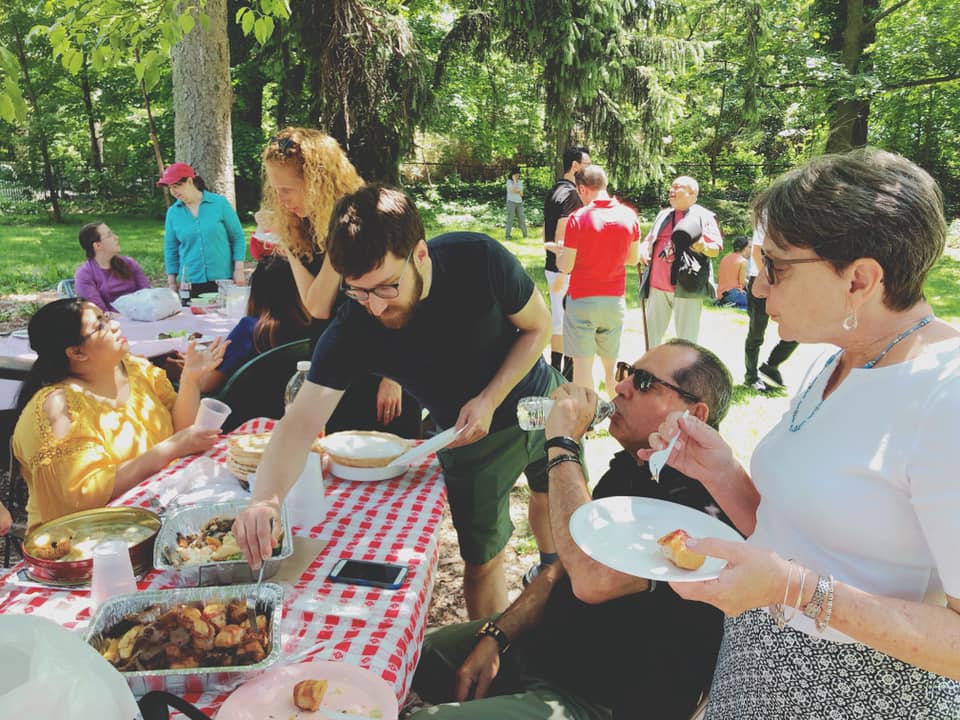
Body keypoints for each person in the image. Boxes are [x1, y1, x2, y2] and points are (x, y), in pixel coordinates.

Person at [641, 149, 960, 718]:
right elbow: (799, 538)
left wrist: (796, 591)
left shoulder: (947, 396)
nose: (759, 286)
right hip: (754, 671)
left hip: (857, 698)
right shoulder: (837, 359)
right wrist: (721, 472)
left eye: (776, 267)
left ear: (859, 279)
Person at [234, 184, 562, 619]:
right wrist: (266, 499)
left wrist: (489, 397)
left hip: (542, 398)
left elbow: (538, 328)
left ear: (420, 255)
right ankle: (493, 648)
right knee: (483, 561)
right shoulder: (354, 326)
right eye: (357, 290)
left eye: (387, 287)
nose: (374, 307)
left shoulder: (478, 259)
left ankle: (554, 573)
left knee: (551, 494)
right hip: (466, 440)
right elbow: (300, 422)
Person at [408, 340, 735, 720]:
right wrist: (499, 634)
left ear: (694, 414)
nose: (621, 387)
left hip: (601, 701)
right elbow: (560, 568)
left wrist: (563, 444)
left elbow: (592, 578)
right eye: (626, 372)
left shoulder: (703, 506)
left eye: (644, 382)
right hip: (542, 653)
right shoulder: (632, 469)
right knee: (401, 653)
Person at [12, 299, 226, 531]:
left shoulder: (133, 368)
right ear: (76, 352)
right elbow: (83, 497)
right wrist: (171, 448)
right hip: (91, 535)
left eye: (106, 317)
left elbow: (182, 430)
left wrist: (190, 380)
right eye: (100, 326)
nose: (114, 325)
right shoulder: (59, 408)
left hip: (160, 506)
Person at [259, 127, 419, 436]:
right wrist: (284, 239)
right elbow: (314, 305)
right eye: (275, 189)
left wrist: (394, 377)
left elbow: (410, 299)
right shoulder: (301, 226)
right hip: (334, 359)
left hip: (382, 364)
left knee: (391, 455)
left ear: (317, 182)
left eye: (287, 189)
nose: (281, 200)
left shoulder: (363, 221)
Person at [546, 165, 640, 396]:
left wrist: (560, 253)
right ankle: (617, 412)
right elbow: (632, 258)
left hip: (583, 300)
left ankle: (586, 417)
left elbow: (566, 266)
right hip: (614, 300)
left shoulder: (578, 218)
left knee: (583, 366)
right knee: (610, 367)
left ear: (582, 189)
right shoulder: (629, 216)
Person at [195, 255, 315, 395]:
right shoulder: (312, 326)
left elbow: (206, 386)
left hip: (241, 405)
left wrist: (194, 368)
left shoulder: (249, 329)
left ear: (256, 292)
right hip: (292, 401)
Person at [638, 176, 722, 347]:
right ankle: (652, 365)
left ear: (692, 194)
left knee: (686, 340)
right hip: (657, 285)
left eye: (677, 187)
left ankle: (684, 365)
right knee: (651, 338)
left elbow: (716, 249)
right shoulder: (663, 215)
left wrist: (703, 246)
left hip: (687, 286)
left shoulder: (704, 216)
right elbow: (649, 240)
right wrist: (643, 248)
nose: (672, 190)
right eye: (671, 187)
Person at [158, 162, 246, 297]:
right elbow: (171, 249)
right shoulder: (173, 213)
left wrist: (238, 269)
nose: (173, 191)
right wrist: (172, 283)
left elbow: (238, 237)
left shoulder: (219, 203)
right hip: (189, 283)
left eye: (176, 186)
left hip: (222, 280)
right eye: (170, 187)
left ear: (189, 181)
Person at [543, 145, 591, 379]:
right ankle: (567, 374)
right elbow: (563, 233)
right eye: (587, 165)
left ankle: (555, 370)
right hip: (564, 268)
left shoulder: (555, 190)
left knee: (558, 321)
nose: (589, 169)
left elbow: (546, 229)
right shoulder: (572, 194)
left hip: (552, 265)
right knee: (569, 322)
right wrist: (565, 270)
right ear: (575, 166)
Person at [743, 222, 797, 391]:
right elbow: (757, 251)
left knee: (796, 329)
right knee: (756, 334)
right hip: (761, 281)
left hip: (783, 282)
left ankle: (771, 365)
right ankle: (751, 377)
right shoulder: (767, 215)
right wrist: (770, 279)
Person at [73, 223, 151, 312]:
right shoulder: (84, 274)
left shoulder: (129, 263)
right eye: (109, 235)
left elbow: (148, 295)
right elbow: (99, 312)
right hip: (112, 319)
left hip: (142, 314)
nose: (116, 237)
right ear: (97, 245)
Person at [714, 236, 749, 309]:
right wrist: (752, 283)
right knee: (754, 303)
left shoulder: (725, 257)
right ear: (745, 248)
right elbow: (742, 282)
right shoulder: (743, 261)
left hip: (721, 294)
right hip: (733, 294)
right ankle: (731, 305)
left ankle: (723, 303)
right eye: (749, 247)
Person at [505, 167, 527, 240]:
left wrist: (517, 190)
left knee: (522, 219)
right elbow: (513, 190)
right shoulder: (509, 182)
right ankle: (507, 236)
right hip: (511, 202)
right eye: (516, 174)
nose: (518, 176)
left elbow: (521, 194)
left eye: (518, 174)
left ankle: (525, 235)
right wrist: (514, 181)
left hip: (519, 203)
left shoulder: (520, 182)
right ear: (513, 175)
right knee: (510, 220)